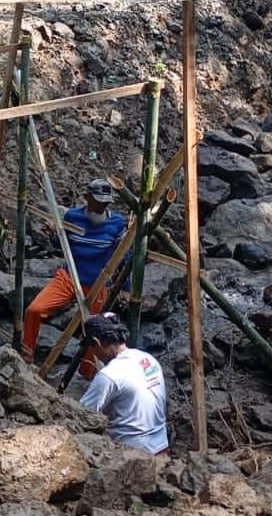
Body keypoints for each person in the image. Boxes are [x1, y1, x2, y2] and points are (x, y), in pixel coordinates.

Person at [23, 178, 129, 376]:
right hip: (69, 276)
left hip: (98, 283)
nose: (103, 205)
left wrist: (127, 288)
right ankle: (26, 353)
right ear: (87, 198)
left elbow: (124, 255)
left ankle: (87, 372)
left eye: (106, 201)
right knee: (34, 310)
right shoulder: (72, 217)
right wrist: (54, 235)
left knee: (94, 331)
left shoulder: (117, 223)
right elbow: (62, 246)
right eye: (98, 200)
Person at [79, 312, 169, 455]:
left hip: (133, 455)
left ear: (96, 343)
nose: (93, 354)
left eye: (91, 347)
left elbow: (81, 416)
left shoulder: (109, 376)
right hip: (162, 446)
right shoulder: (148, 359)